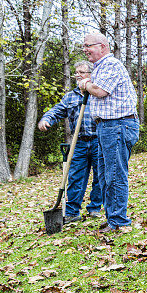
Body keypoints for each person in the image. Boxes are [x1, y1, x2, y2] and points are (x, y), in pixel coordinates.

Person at [77, 32, 140, 233]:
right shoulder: (100, 68)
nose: (85, 49)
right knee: (105, 175)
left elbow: (100, 91)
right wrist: (87, 83)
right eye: (84, 46)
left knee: (114, 175)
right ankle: (113, 219)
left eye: (89, 46)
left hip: (118, 126)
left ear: (103, 46)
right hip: (106, 127)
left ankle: (120, 222)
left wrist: (86, 84)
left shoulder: (111, 64)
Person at [38, 60, 102, 222]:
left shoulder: (97, 92)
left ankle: (95, 208)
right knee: (75, 177)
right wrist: (46, 119)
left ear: (91, 74)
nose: (78, 75)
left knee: (100, 176)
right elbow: (56, 110)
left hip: (98, 141)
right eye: (76, 73)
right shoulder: (70, 97)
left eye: (82, 72)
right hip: (78, 143)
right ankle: (73, 212)